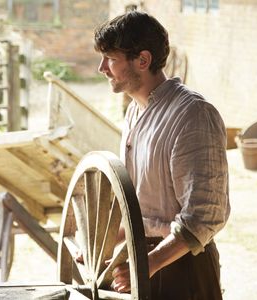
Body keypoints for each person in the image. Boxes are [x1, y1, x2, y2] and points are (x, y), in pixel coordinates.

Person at [94, 11, 230, 299]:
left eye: (111, 59)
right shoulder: (134, 111)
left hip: (182, 270)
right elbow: (143, 209)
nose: (101, 68)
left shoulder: (192, 115)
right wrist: (102, 247)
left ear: (142, 61)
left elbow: (204, 216)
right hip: (141, 264)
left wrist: (149, 264)